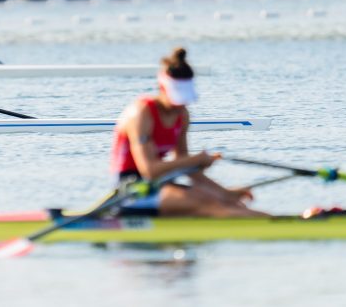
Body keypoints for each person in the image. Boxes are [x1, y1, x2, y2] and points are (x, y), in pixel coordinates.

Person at [110, 47, 266, 218]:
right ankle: (274, 225)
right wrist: (196, 160)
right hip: (132, 191)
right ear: (162, 87)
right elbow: (150, 170)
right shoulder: (141, 113)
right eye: (176, 98)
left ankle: (277, 222)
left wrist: (225, 193)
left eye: (184, 99)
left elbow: (186, 167)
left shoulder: (182, 115)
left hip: (159, 186)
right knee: (207, 204)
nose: (180, 105)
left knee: (228, 202)